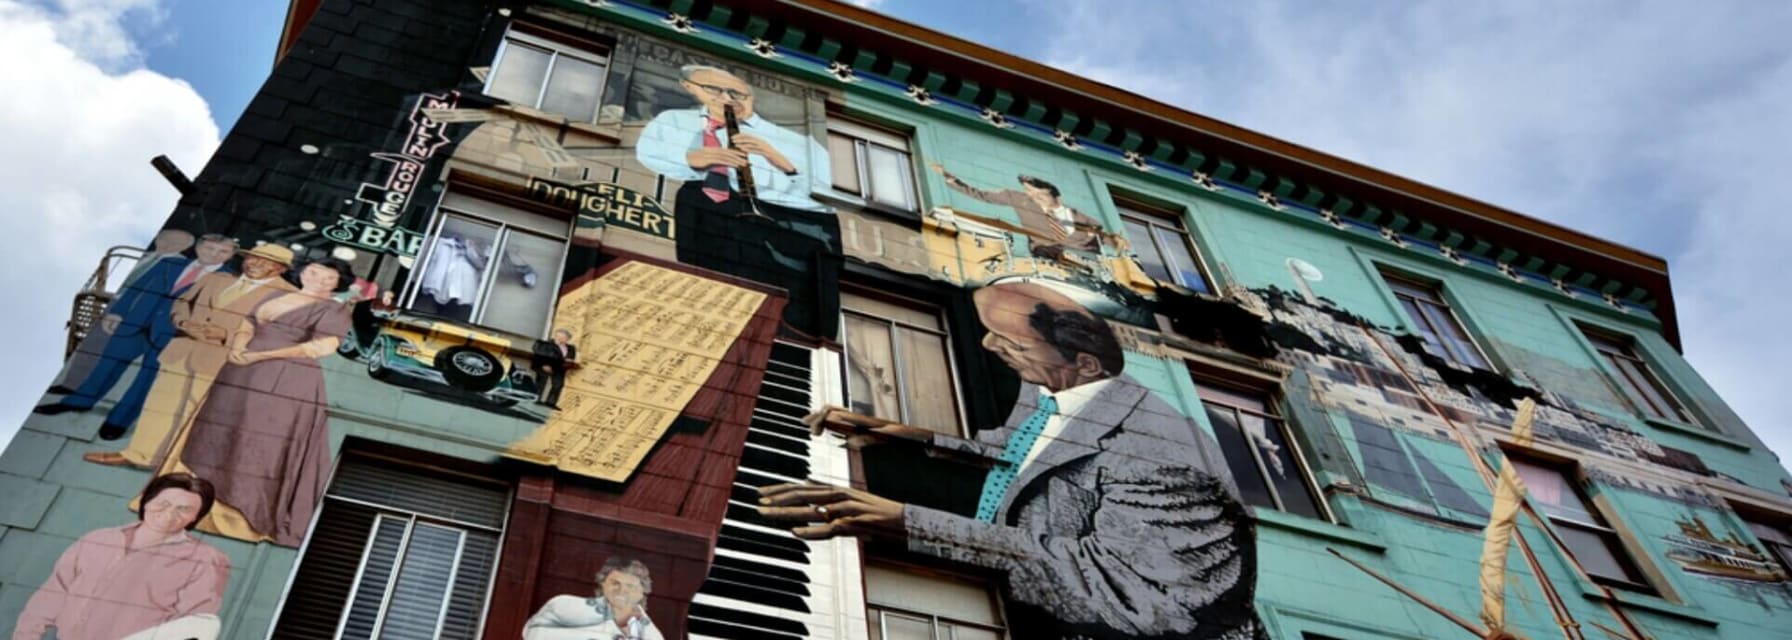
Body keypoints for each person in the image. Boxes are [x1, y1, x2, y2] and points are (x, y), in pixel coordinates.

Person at [760, 281, 1263, 640]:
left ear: (1082, 362)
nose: (987, 345)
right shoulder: (1055, 384)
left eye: (1010, 340)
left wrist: (903, 520)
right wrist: (902, 435)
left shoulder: (1160, 457)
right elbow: (1015, 455)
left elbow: (1117, 586)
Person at [157, 257, 356, 547]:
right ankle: (201, 503)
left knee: (262, 440)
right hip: (241, 370)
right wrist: (239, 347)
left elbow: (323, 346)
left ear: (338, 284)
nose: (318, 279)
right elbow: (248, 323)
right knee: (221, 430)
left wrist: (262, 355)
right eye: (314, 272)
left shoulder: (334, 309)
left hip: (287, 375)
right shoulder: (277, 294)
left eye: (328, 278)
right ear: (303, 271)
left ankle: (245, 515)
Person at [633, 64, 840, 338]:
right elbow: (648, 153)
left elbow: (827, 196)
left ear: (752, 97)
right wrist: (697, 158)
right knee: (710, 290)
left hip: (784, 220)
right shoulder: (674, 121)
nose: (727, 98)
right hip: (710, 210)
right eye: (713, 90)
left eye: (737, 93)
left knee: (784, 303)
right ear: (690, 88)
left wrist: (777, 159)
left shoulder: (793, 140)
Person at [82, 244, 296, 469]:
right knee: (160, 405)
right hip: (182, 350)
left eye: (266, 261)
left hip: (223, 361)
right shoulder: (217, 279)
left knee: (198, 415)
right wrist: (183, 323)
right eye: (253, 258)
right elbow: (182, 303)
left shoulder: (287, 296)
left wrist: (226, 334)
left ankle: (177, 467)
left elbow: (278, 332)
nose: (256, 264)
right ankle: (139, 455)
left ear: (280, 269)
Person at [37, 234, 237, 440]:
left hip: (174, 334)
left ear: (231, 255)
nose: (214, 255)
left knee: (146, 380)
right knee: (106, 365)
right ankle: (77, 402)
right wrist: (117, 312)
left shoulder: (228, 279)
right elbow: (136, 288)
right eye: (209, 248)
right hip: (135, 322)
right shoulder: (169, 263)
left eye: (223, 251)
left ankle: (118, 421)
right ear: (197, 247)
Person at [14, 473, 231, 640]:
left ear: (196, 517)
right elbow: (52, 594)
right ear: (146, 501)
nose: (169, 513)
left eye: (183, 509)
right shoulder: (99, 539)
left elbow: (192, 625)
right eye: (163, 503)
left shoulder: (206, 560)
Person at [49, 228, 199, 395]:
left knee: (115, 353)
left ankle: (90, 391)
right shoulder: (144, 257)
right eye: (167, 240)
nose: (170, 245)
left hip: (144, 311)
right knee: (93, 344)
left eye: (178, 243)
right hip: (120, 303)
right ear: (158, 239)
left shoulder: (179, 266)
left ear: (184, 247)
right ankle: (70, 384)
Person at [930, 163, 1111, 259]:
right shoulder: (1018, 199)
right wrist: (950, 178)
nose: (1030, 194)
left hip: (1083, 260)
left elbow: (1101, 238)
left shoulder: (1081, 218)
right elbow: (981, 195)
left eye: (1036, 191)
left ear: (1054, 195)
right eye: (1027, 189)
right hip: (1046, 255)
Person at [522, 556, 664, 640]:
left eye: (630, 586)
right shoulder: (565, 605)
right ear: (603, 584)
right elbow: (531, 633)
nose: (622, 591)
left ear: (642, 592)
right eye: (615, 583)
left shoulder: (648, 632)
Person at [532, 328, 578, 408]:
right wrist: (544, 364)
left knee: (558, 385)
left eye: (563, 338)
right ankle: (536, 398)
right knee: (541, 382)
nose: (560, 339)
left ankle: (551, 402)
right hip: (546, 366)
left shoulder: (571, 348)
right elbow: (539, 354)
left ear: (567, 339)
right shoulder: (546, 344)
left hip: (560, 368)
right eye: (558, 337)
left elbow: (571, 357)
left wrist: (569, 361)